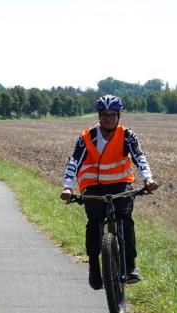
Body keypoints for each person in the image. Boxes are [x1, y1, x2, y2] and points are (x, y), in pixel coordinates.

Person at [59, 95, 159, 289]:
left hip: (120, 184)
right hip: (93, 185)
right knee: (94, 222)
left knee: (125, 219)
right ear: (99, 116)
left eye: (112, 115)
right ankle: (94, 265)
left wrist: (147, 178)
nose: (108, 119)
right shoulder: (87, 137)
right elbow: (74, 162)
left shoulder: (127, 135)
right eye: (104, 115)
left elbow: (139, 157)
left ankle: (130, 267)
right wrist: (67, 187)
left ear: (119, 116)